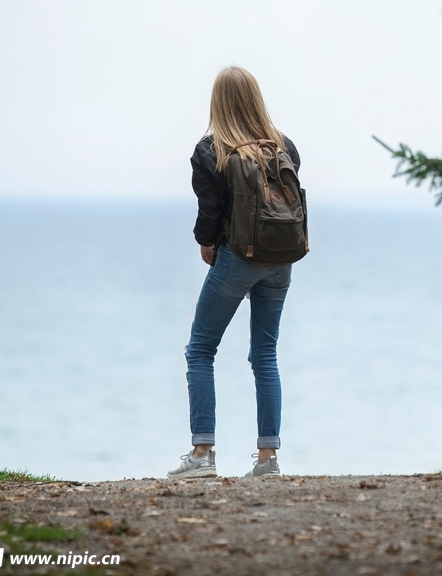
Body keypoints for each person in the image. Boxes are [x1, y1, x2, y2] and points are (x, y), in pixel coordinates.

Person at [168, 66, 301, 480]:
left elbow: (210, 212)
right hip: (280, 261)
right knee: (265, 353)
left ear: (217, 102)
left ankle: (202, 454)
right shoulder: (285, 146)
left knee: (200, 350)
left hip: (236, 260)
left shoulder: (212, 150)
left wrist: (206, 243)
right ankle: (268, 460)